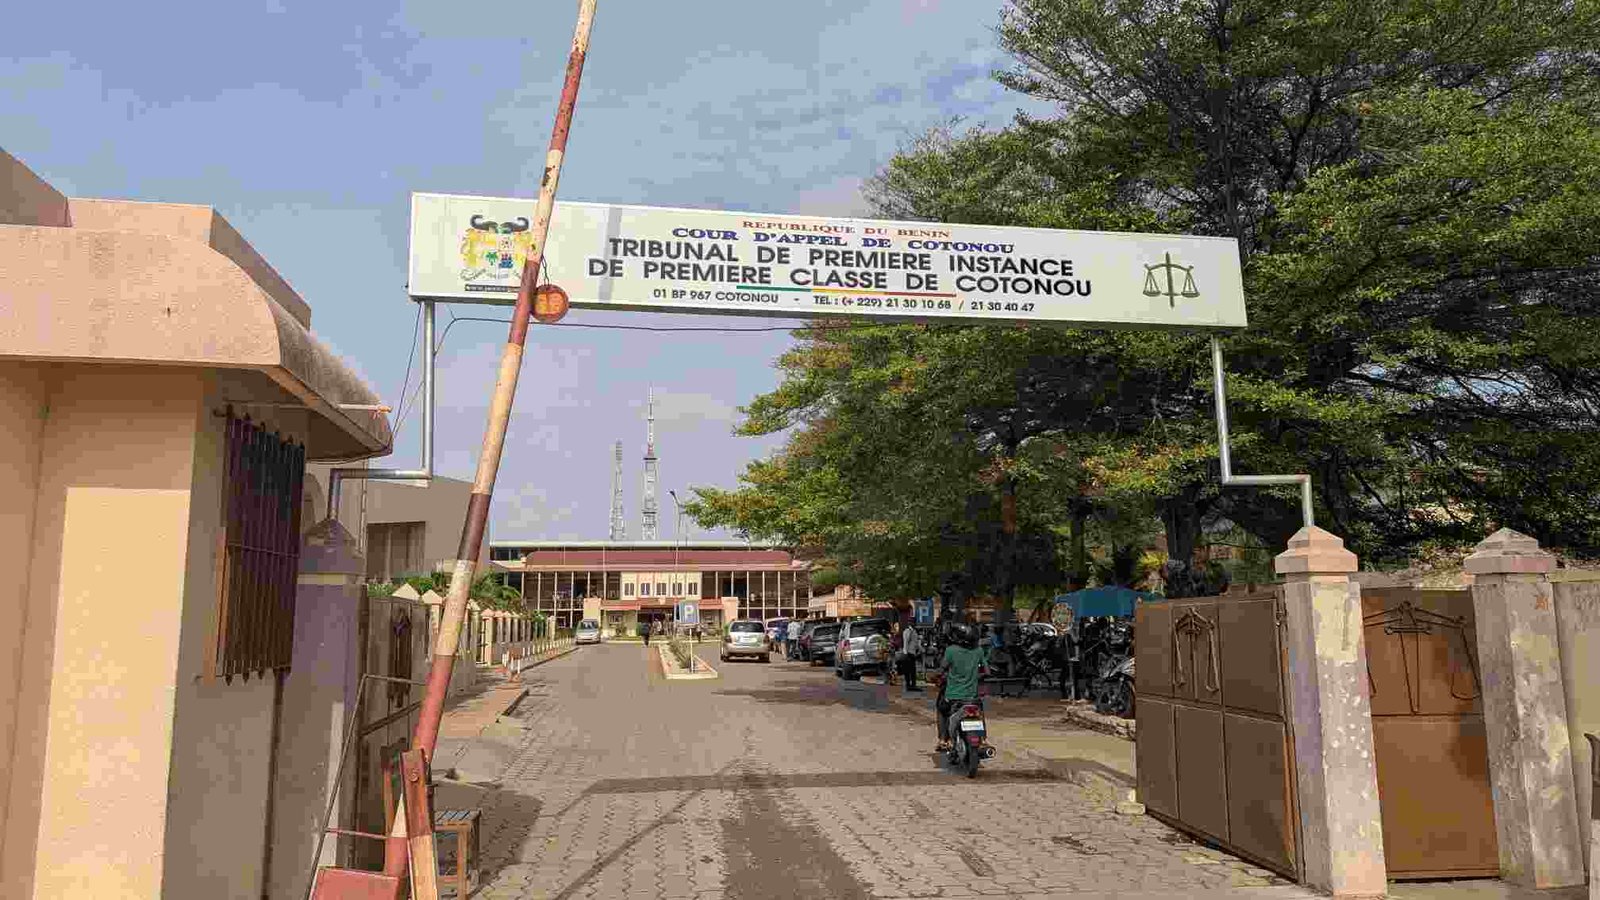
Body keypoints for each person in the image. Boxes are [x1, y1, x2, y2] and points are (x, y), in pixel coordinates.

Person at [934, 622, 986, 752]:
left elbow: (941, 670)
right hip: (972, 696)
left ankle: (942, 740)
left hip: (953, 697)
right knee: (979, 710)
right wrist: (975, 676)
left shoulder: (951, 650)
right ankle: (984, 739)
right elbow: (987, 671)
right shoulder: (979, 651)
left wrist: (935, 677)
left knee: (941, 709)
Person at [900, 621, 922, 694]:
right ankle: (909, 686)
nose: (914, 624)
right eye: (913, 623)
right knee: (908, 670)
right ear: (910, 624)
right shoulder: (907, 631)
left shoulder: (914, 631)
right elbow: (906, 642)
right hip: (908, 653)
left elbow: (916, 643)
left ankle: (912, 685)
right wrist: (905, 653)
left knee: (912, 670)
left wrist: (921, 650)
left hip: (913, 653)